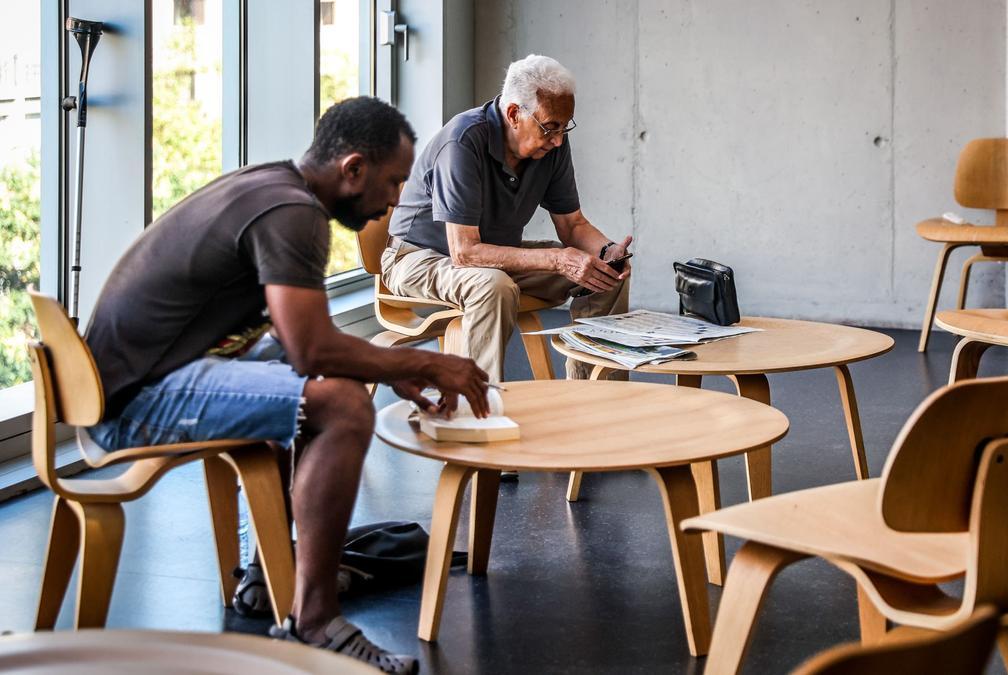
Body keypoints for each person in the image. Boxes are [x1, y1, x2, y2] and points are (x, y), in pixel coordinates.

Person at [85, 96, 489, 674]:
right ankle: (315, 620)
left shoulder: (272, 187)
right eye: (393, 181)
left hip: (137, 377)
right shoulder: (292, 215)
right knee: (345, 408)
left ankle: (264, 574)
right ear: (353, 169)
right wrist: (419, 365)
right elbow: (311, 347)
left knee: (313, 386)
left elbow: (291, 340)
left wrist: (375, 363)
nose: (397, 199)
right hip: (132, 402)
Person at [383, 54, 632, 383]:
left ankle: (594, 397)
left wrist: (607, 251)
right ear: (514, 114)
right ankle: (477, 411)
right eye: (550, 127)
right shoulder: (462, 142)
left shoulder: (552, 146)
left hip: (492, 256)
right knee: (492, 285)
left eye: (564, 126)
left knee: (606, 277)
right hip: (419, 257)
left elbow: (573, 225)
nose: (558, 139)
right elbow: (465, 253)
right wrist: (556, 259)